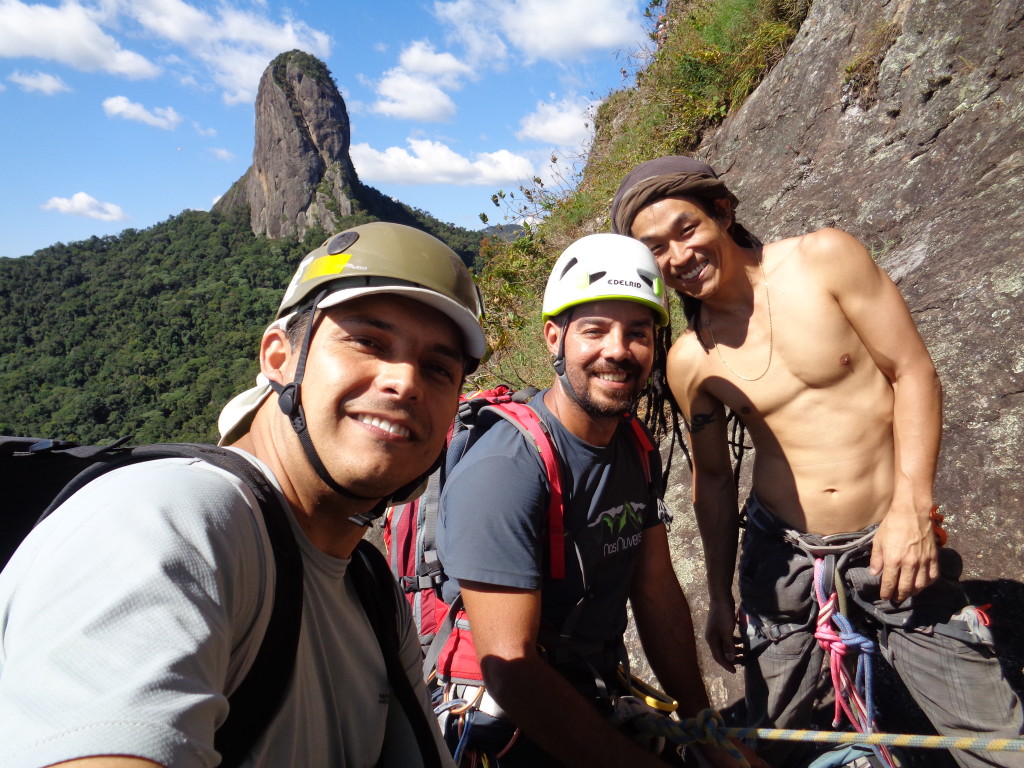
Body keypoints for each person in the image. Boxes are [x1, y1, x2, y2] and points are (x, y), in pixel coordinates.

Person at [0, 222, 486, 768]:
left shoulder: (370, 589)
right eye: (367, 341)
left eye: (439, 368)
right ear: (279, 358)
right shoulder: (167, 521)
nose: (405, 381)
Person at [611, 155, 1024, 768]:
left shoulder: (824, 259)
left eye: (687, 228)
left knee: (990, 739)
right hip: (781, 559)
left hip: (889, 542)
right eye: (655, 249)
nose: (677, 256)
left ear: (723, 212)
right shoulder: (691, 359)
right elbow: (715, 481)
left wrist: (911, 508)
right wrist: (722, 595)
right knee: (771, 737)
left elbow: (912, 372)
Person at [436, 233, 765, 768]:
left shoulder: (633, 448)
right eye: (594, 330)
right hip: (505, 721)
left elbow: (655, 591)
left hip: (593, 689)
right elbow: (511, 666)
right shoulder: (507, 468)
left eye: (637, 333)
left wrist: (703, 726)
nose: (618, 349)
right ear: (553, 339)